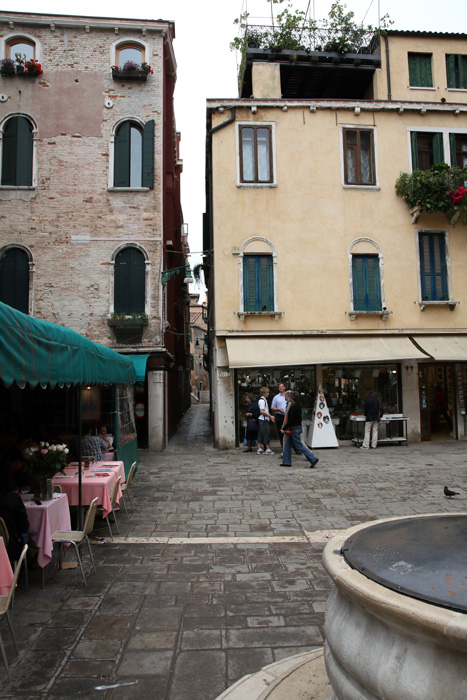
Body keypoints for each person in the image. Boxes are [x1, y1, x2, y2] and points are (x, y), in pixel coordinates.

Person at [280, 391, 319, 468]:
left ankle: (312, 458)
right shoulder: (297, 405)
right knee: (287, 445)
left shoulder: (294, 407)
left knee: (299, 446)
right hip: (295, 428)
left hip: (294, 428)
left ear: (292, 398)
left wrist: (283, 428)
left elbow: (290, 420)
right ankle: (286, 461)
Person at [257, 387, 275, 455]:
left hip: (263, 419)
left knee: (261, 434)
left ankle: (259, 448)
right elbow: (262, 411)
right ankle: (267, 449)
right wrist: (270, 416)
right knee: (266, 434)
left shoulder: (263, 400)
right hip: (264, 420)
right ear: (263, 393)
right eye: (267, 392)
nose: (268, 394)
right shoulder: (262, 401)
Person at [271, 383, 288, 454]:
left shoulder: (289, 396)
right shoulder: (276, 397)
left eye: (282, 387)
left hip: (288, 416)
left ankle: (296, 448)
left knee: (290, 432)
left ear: (285, 387)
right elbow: (272, 407)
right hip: (280, 416)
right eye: (279, 387)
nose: (281, 388)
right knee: (281, 432)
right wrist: (278, 409)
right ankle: (283, 448)